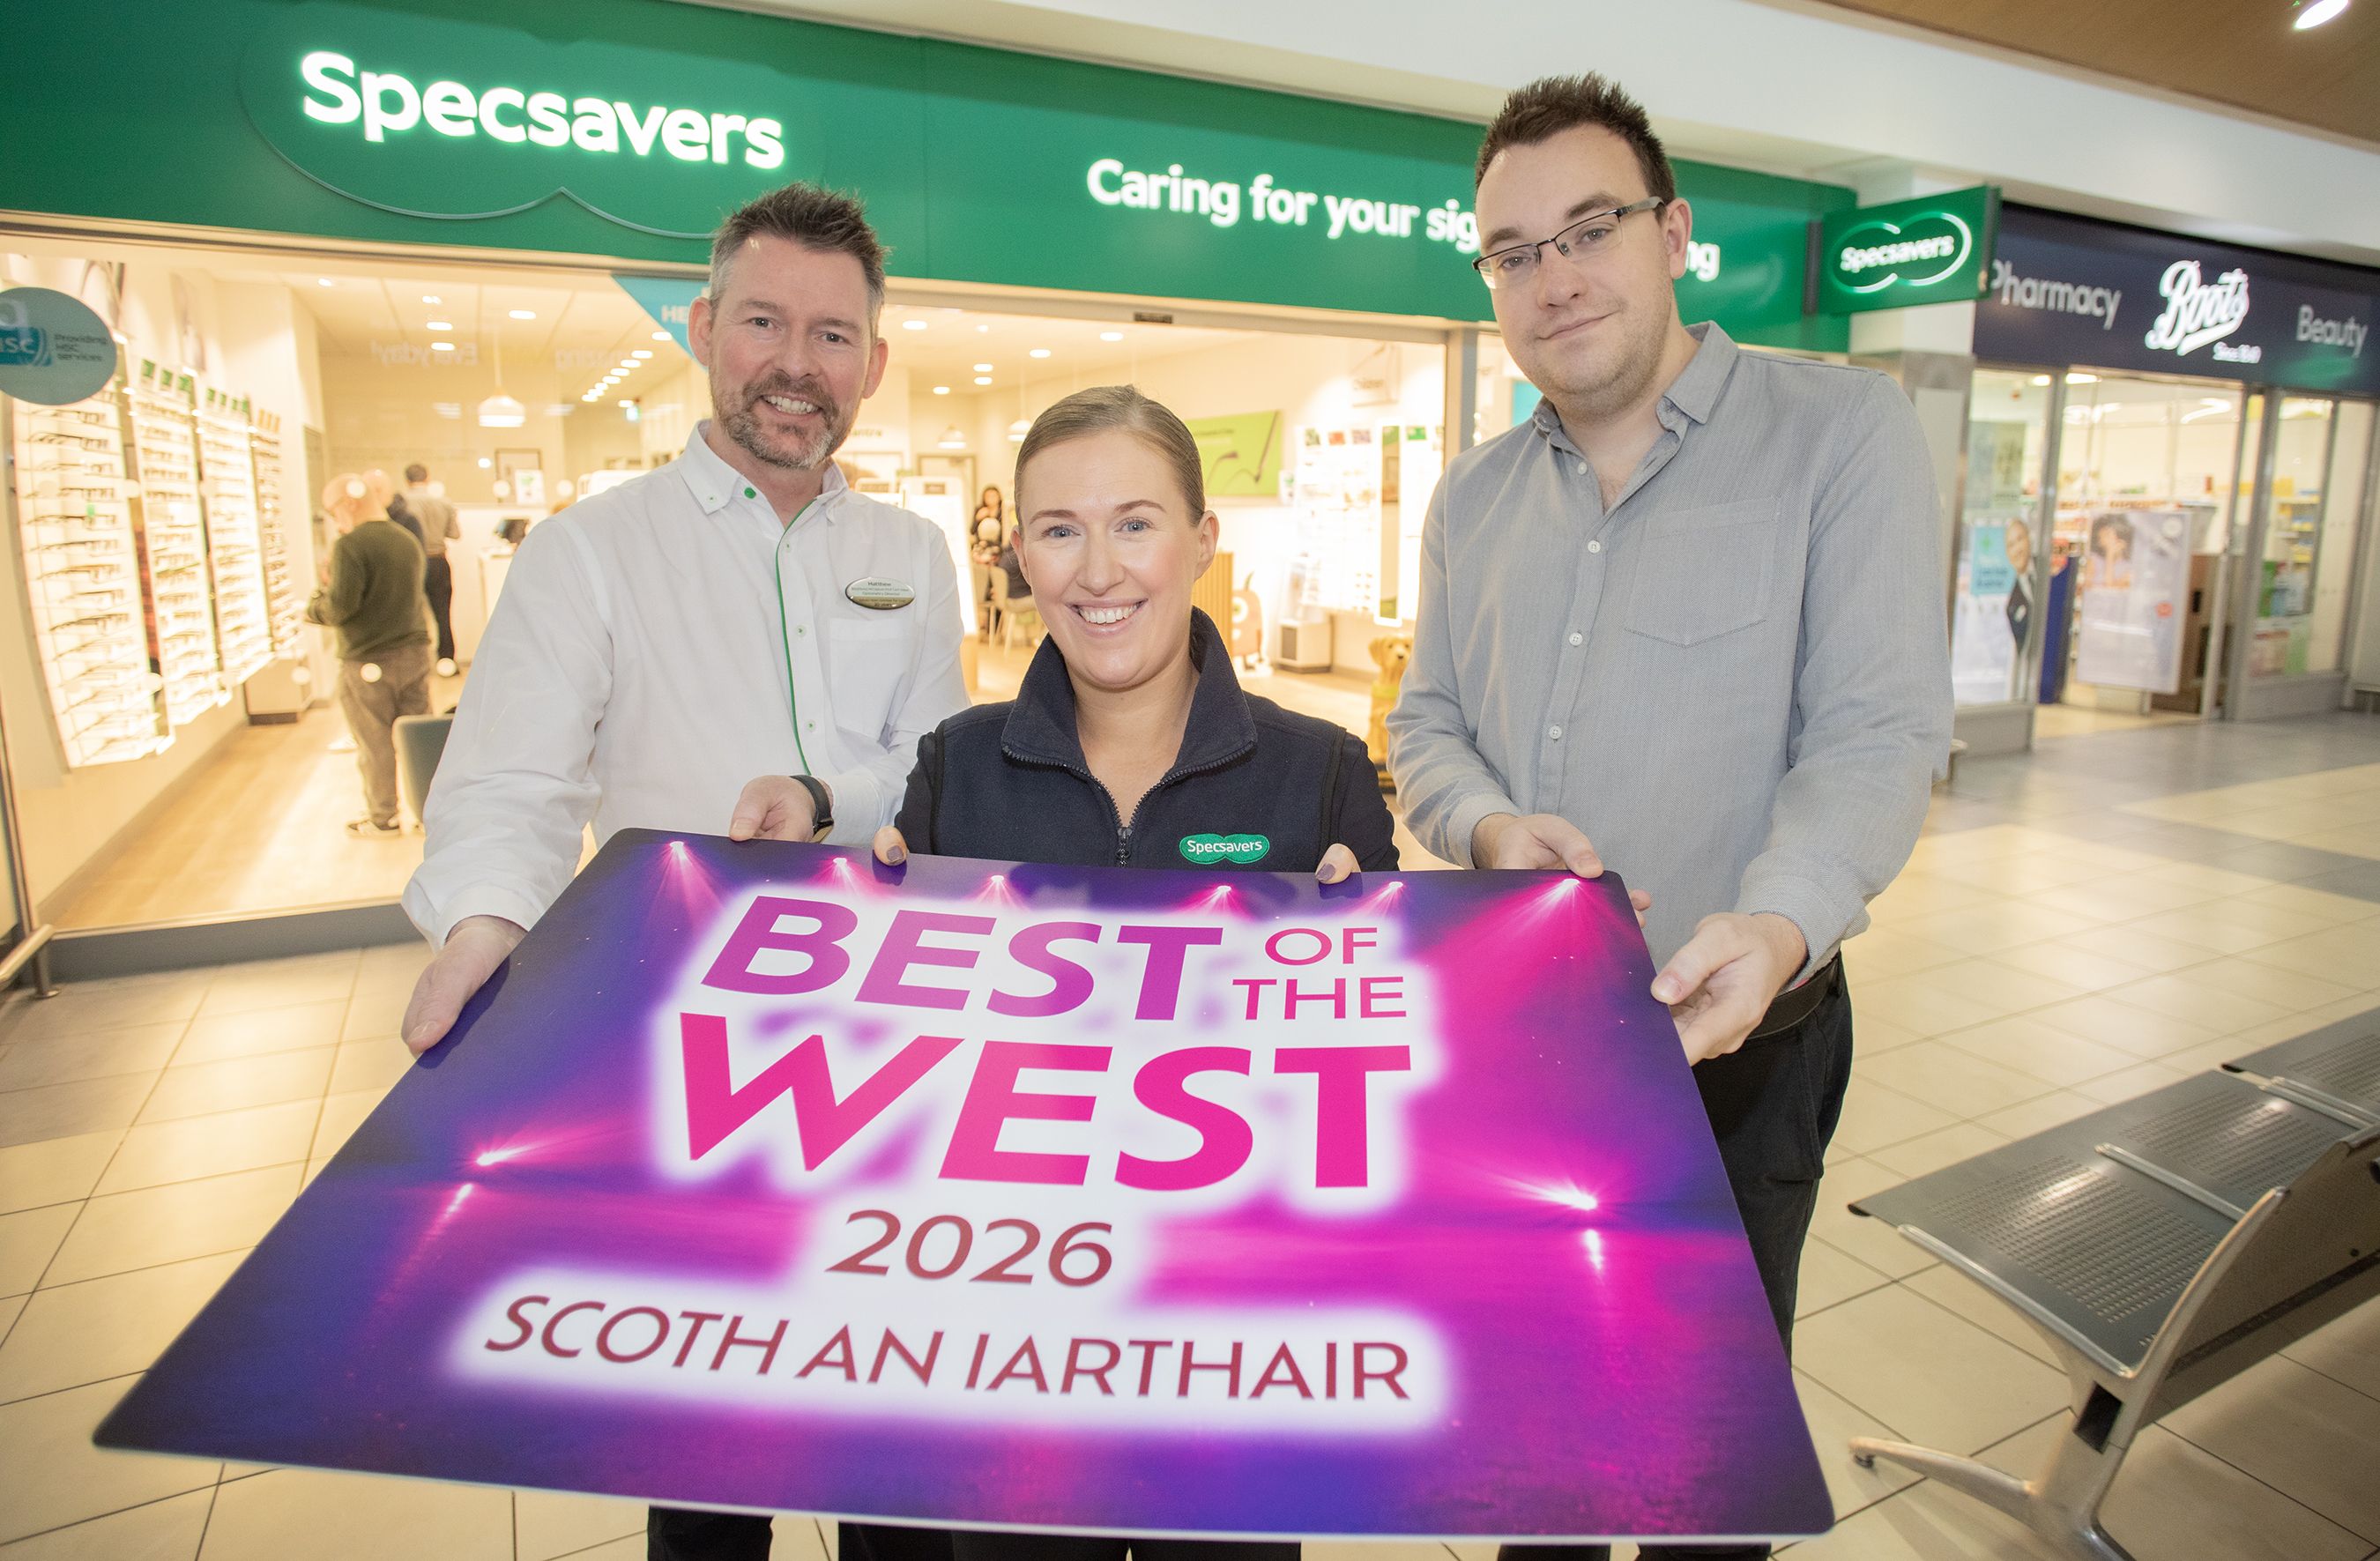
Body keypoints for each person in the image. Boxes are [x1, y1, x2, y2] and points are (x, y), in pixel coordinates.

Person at [1386, 74, 1949, 1561]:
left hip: (1747, 1047)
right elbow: (1425, 726)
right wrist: (1491, 828)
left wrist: (1776, 921)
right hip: (1533, 1048)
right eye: (1512, 251)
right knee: (1548, 1445)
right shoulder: (1473, 498)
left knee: (1705, 1465)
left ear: (1674, 230)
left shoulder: (1842, 436)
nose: (1553, 277)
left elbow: (1880, 731)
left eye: (1589, 229)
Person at [390, 181, 969, 1561]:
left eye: (834, 336)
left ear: (874, 366)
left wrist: (833, 796)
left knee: (893, 1418)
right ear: (704, 329)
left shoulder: (911, 549)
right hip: (695, 1058)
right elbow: (513, 785)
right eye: (763, 320)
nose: (796, 362)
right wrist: (485, 921)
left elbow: (940, 765)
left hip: (893, 1041)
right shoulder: (594, 550)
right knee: (711, 1448)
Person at [748, 383, 1399, 1561]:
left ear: (1206, 541)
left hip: (1234, 1338)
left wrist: (1384, 941)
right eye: (1058, 528)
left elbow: (1383, 1085)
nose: (1099, 569)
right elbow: (899, 1083)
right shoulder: (955, 768)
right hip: (1017, 1340)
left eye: (1137, 521)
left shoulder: (1321, 775)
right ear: (1018, 555)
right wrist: (866, 961)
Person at [308, 472, 432, 836]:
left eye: (333, 511)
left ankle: (384, 817)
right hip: (413, 652)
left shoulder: (351, 546)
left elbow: (340, 607)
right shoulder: (406, 539)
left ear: (349, 503)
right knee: (416, 737)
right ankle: (431, 813)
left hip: (367, 658)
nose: (335, 519)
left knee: (374, 742)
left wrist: (315, 604)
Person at [405, 462, 464, 675]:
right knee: (443, 616)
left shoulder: (403, 504)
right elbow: (455, 534)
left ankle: (415, 667)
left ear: (407, 480)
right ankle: (447, 662)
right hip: (439, 561)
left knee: (412, 616)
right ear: (427, 478)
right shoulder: (444, 503)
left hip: (414, 563)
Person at [970, 484, 1005, 638]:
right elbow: (972, 531)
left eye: (993, 495)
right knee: (983, 590)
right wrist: (979, 518)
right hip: (982, 556)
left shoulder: (1004, 512)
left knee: (998, 590)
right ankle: (983, 626)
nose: (991, 499)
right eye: (988, 496)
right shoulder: (980, 511)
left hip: (998, 556)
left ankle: (994, 628)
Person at [365, 467, 427, 549]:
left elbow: (418, 555)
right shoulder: (358, 521)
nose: (374, 495)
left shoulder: (408, 520)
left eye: (378, 490)